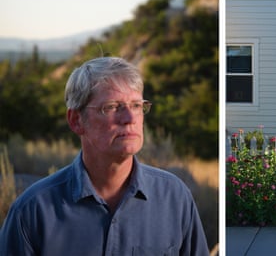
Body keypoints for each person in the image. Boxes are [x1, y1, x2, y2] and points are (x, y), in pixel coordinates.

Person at [0, 57, 209, 255]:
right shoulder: (33, 210)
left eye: (136, 105)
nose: (129, 118)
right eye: (111, 107)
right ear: (76, 120)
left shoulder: (174, 197)